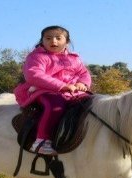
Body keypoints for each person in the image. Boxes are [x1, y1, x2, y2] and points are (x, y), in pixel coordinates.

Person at [13, 25, 92, 155]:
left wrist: (83, 83)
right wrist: (61, 86)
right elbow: (34, 74)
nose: (53, 41)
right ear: (42, 41)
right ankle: (42, 142)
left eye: (58, 38)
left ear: (66, 42)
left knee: (92, 103)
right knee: (56, 106)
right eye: (48, 38)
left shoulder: (74, 58)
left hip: (72, 92)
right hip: (44, 90)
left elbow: (83, 72)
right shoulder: (37, 57)